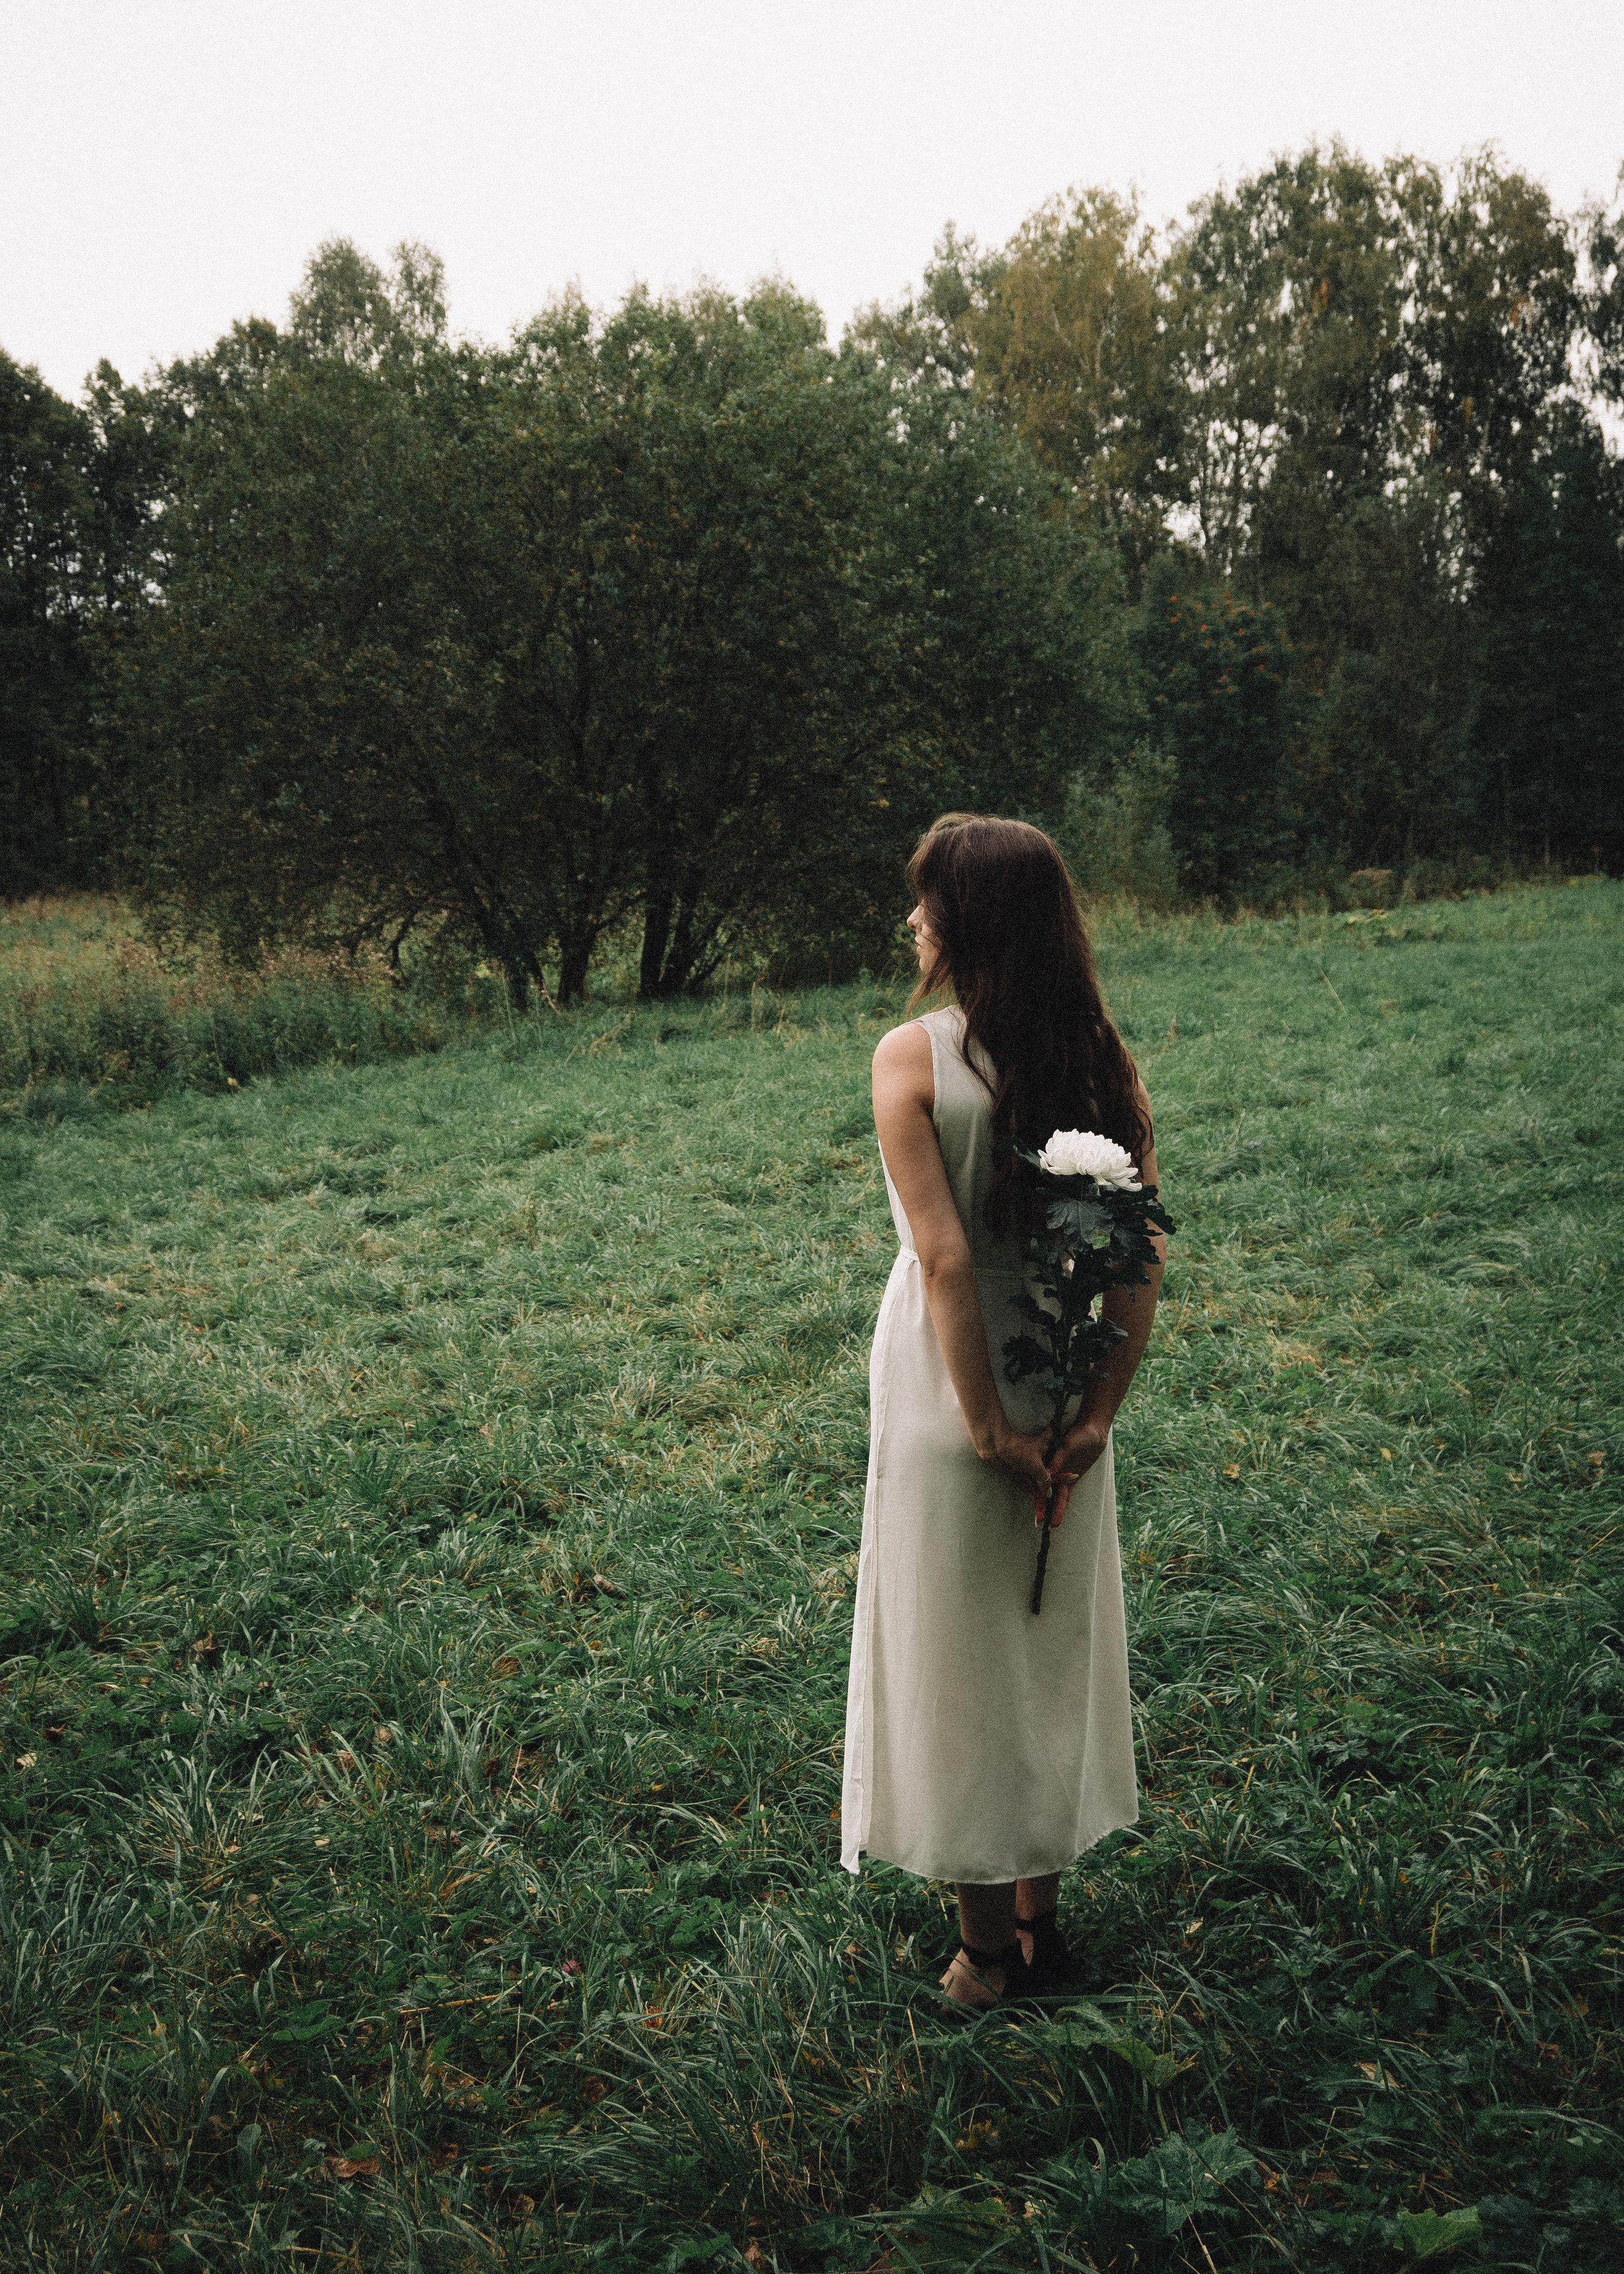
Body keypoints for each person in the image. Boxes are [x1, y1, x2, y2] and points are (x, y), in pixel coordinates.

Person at [840, 813, 1165, 2008]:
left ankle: (985, 1959)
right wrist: (1096, 1414)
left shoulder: (912, 1059)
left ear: (968, 921)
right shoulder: (1098, 1060)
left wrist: (983, 1428)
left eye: (926, 901)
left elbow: (940, 1260)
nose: (911, 920)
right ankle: (1043, 1924)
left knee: (963, 1661)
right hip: (1061, 1374)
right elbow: (1138, 1250)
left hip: (951, 1389)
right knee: (1045, 1647)